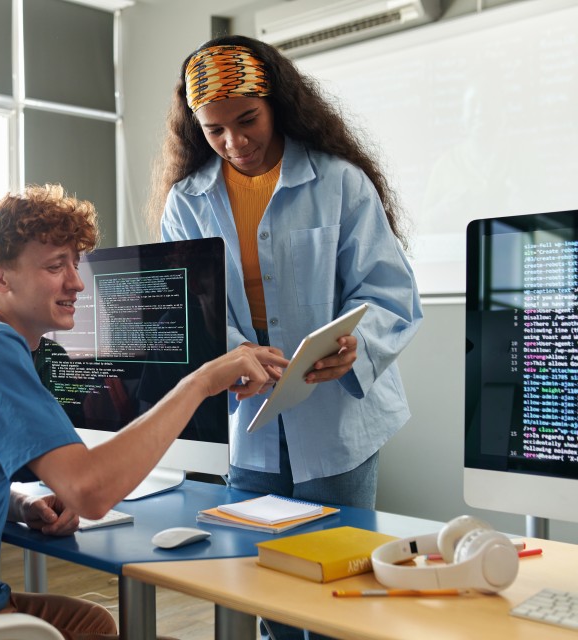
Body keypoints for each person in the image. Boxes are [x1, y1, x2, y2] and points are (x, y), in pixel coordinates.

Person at [0, 184, 288, 640]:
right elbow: (90, 494)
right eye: (56, 266)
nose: (77, 282)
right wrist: (201, 382)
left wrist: (20, 504)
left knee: (92, 623)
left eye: (75, 264)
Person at [147, 35, 423, 639]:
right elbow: (191, 308)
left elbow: (388, 292)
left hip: (338, 415)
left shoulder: (340, 182)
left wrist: (356, 343)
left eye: (247, 120)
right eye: (214, 129)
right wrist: (234, 352)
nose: (234, 141)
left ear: (276, 101)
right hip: (248, 416)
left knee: (336, 585)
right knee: (264, 584)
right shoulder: (187, 201)